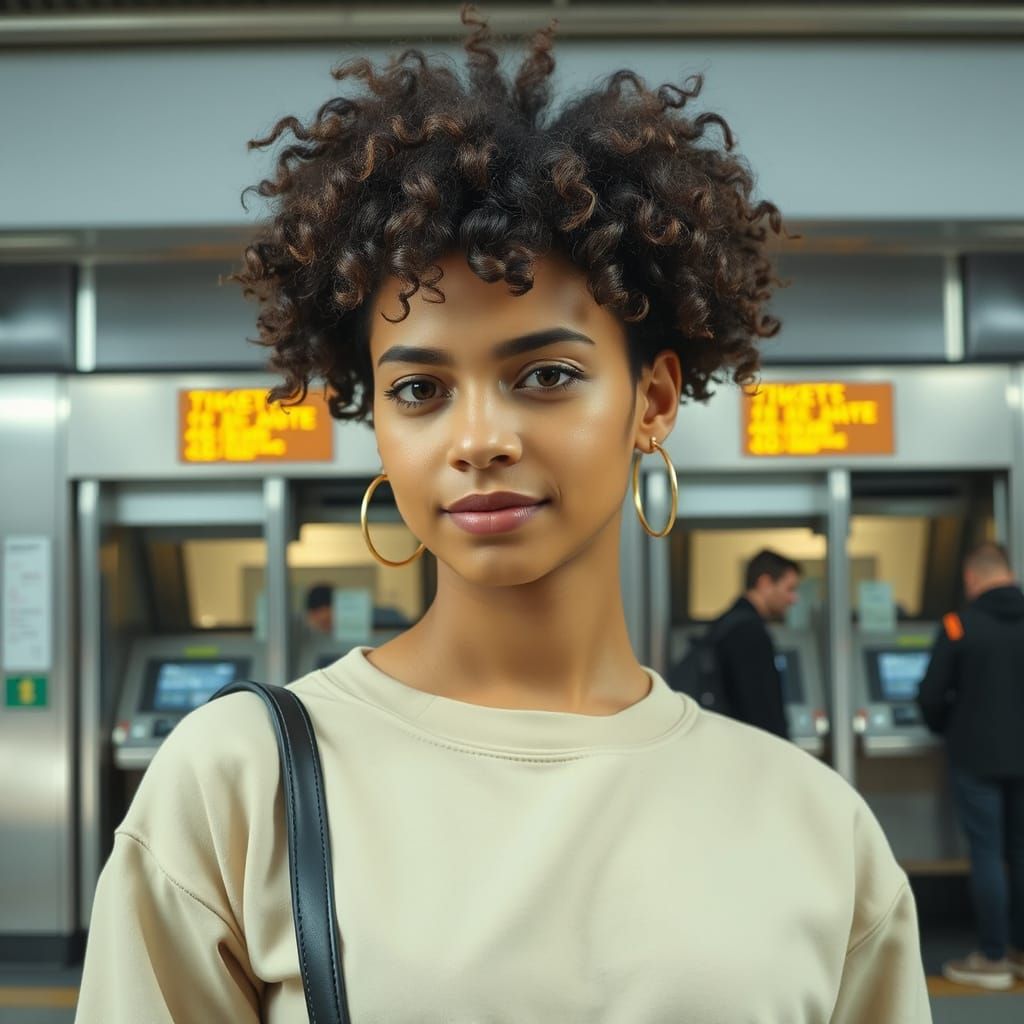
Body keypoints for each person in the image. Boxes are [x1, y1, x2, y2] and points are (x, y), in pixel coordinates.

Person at [75, 10, 931, 1021]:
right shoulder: (238, 784)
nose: (477, 438)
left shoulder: (816, 827)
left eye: (546, 374)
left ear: (651, 401)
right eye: (420, 390)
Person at [918, 541, 1024, 991]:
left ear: (971, 577)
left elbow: (930, 696)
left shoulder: (960, 624)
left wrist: (949, 726)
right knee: (1021, 852)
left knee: (986, 854)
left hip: (976, 756)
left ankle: (994, 956)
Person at [712, 548, 800, 739]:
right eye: (790, 589)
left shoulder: (728, 624)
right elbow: (761, 708)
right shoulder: (748, 631)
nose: (793, 599)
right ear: (765, 583)